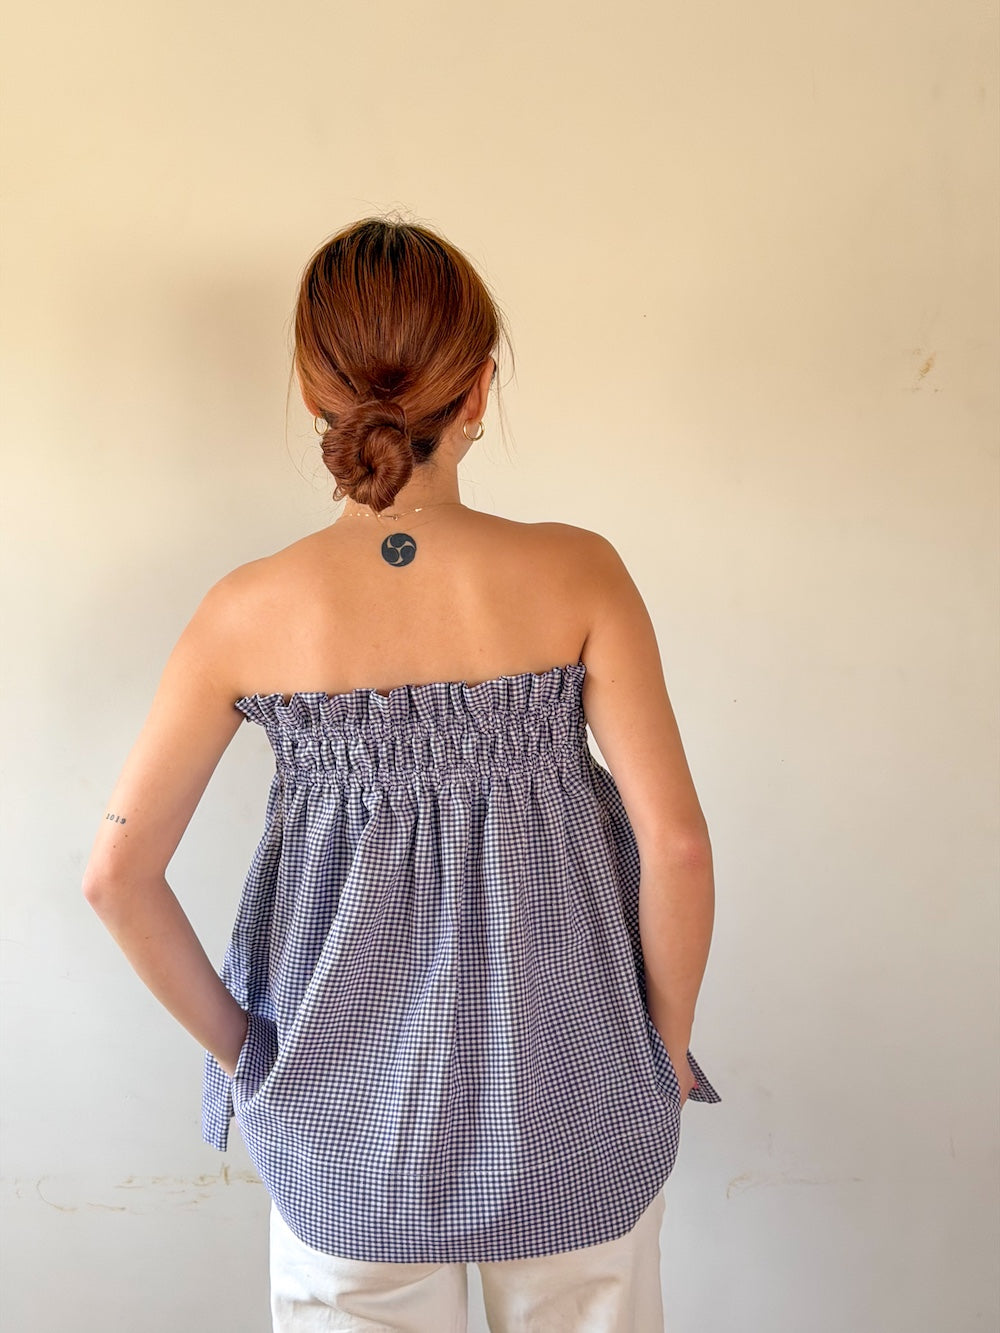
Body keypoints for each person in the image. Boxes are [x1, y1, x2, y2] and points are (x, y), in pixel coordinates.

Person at [82, 214, 722, 1332]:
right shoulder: (577, 572)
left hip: (342, 1138)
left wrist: (250, 1060)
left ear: (310, 390)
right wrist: (660, 1053)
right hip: (575, 1104)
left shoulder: (244, 612)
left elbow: (115, 877)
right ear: (478, 390)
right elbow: (675, 844)